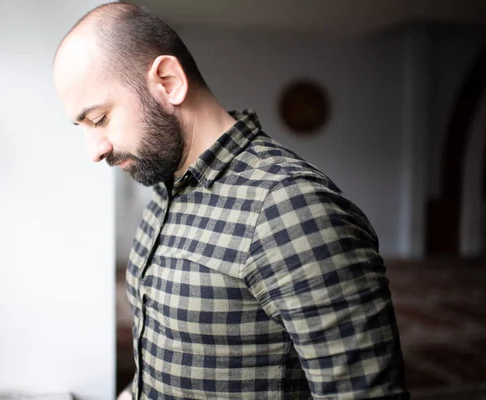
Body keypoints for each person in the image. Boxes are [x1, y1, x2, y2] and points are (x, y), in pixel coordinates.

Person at [53, 3, 409, 399]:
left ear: (168, 81)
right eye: (82, 127)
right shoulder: (163, 190)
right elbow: (163, 360)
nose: (94, 150)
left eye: (100, 119)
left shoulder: (290, 206)